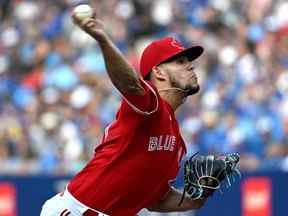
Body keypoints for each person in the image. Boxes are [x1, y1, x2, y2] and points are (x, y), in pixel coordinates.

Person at [40, 9, 207, 216]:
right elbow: (130, 84)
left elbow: (157, 200)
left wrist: (197, 199)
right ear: (158, 71)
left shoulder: (177, 143)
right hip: (76, 211)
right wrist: (103, 40)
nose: (190, 66)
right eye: (180, 62)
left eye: (188, 62)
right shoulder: (150, 104)